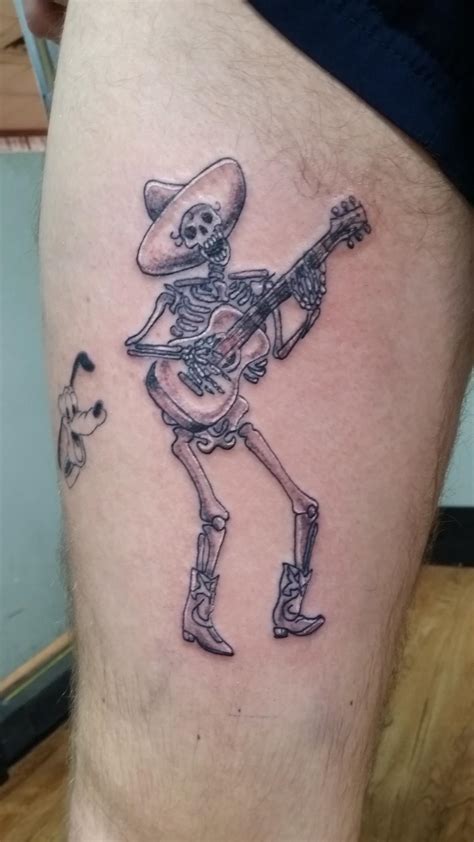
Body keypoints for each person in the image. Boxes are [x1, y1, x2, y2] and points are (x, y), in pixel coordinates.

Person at [26, 1, 473, 840]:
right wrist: (190, 352)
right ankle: (199, 614)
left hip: (231, 403)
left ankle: (289, 608)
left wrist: (306, 298)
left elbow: (277, 344)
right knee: (194, 806)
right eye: (188, 226)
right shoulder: (179, 296)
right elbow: (142, 346)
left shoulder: (249, 284)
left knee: (304, 505)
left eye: (209, 220)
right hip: (190, 406)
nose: (206, 233)